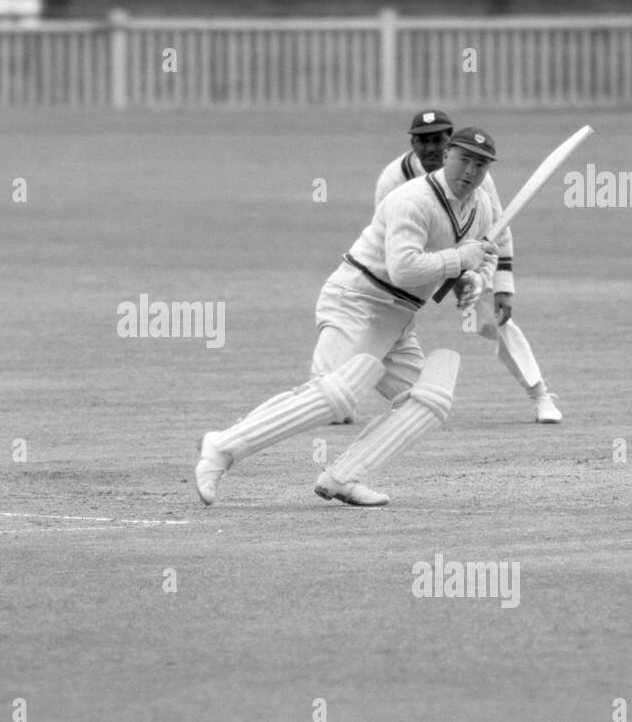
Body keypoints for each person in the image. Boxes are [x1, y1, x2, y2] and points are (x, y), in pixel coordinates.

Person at [194, 128, 502, 508]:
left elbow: (467, 259)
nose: (470, 171)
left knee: (429, 400)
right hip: (356, 300)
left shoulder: (481, 207)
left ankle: (345, 476)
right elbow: (404, 267)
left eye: (480, 164)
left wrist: (468, 281)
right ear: (449, 155)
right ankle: (221, 448)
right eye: (464, 159)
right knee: (335, 396)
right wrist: (460, 261)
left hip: (400, 316)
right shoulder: (412, 199)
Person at [375, 109, 562, 424]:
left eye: (439, 139)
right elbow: (385, 239)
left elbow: (500, 228)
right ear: (412, 142)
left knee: (496, 322)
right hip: (413, 262)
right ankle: (350, 398)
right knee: (375, 322)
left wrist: (500, 286)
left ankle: (540, 394)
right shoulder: (393, 179)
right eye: (424, 141)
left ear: (449, 143)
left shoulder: (476, 173)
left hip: (468, 257)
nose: (432, 148)